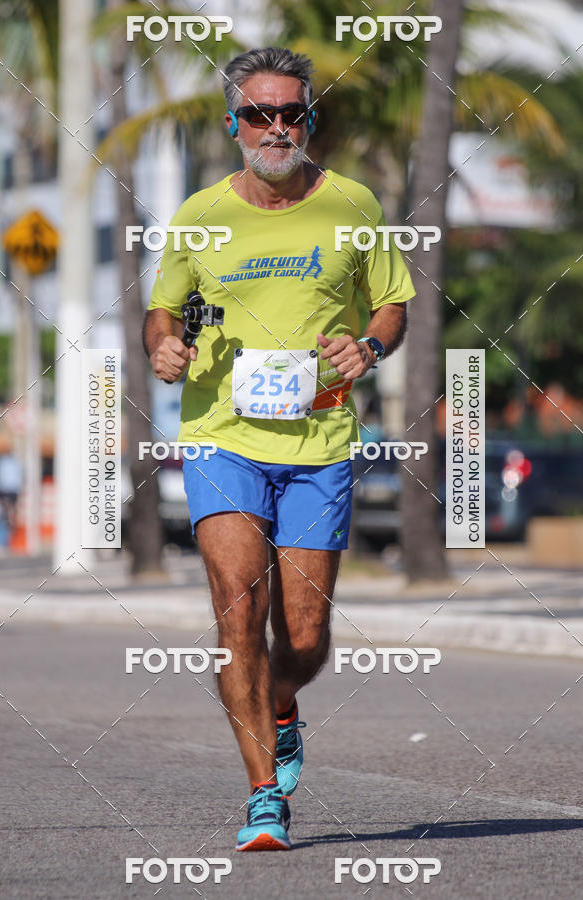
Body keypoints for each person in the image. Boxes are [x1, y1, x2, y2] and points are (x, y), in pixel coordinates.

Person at [143, 47, 415, 852]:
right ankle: (264, 797)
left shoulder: (353, 204)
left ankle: (282, 704)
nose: (275, 128)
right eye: (258, 114)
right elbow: (163, 310)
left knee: (303, 638)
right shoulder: (199, 214)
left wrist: (369, 345)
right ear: (234, 123)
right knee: (239, 608)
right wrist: (163, 347)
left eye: (290, 113)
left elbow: (393, 303)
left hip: (320, 443)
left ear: (309, 119)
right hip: (221, 438)